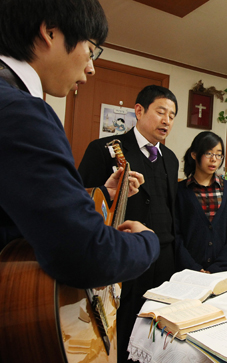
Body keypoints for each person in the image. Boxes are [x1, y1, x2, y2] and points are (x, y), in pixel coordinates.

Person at [0, 0, 159, 288]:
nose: (91, 68)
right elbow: (87, 253)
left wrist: (99, 194)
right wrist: (148, 241)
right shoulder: (22, 113)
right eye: (91, 50)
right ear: (50, 33)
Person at [79, 84, 180, 362]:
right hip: (125, 256)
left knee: (159, 331)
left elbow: (172, 210)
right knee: (122, 328)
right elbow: (84, 198)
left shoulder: (170, 159)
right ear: (139, 111)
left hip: (165, 258)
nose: (167, 120)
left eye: (172, 116)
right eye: (161, 112)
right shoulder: (104, 149)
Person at [175, 131, 227, 273]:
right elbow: (176, 236)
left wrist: (217, 268)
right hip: (188, 273)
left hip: (224, 272)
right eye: (208, 153)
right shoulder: (180, 191)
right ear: (194, 154)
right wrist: (194, 268)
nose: (214, 159)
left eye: (218, 154)